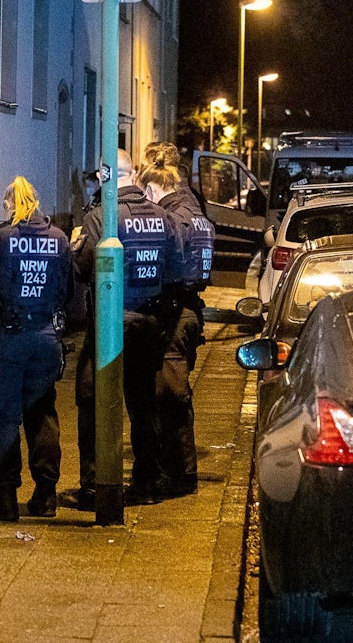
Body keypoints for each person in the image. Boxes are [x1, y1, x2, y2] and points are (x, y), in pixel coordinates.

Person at [72, 150, 183, 509]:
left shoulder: (100, 218)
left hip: (110, 323)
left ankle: (94, 485)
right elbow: (176, 270)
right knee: (143, 403)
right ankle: (146, 482)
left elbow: (82, 270)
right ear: (133, 174)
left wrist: (76, 250)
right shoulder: (163, 218)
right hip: (149, 323)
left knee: (91, 399)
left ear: (105, 177)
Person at [0, 176, 72, 521]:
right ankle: (46, 495)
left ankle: (7, 495)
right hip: (45, 336)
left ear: (9, 204)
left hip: (6, 338)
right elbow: (68, 293)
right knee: (41, 412)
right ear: (37, 203)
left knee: (1, 414)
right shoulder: (58, 240)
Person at [139, 143, 215, 495]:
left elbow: (168, 266)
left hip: (173, 312)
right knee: (172, 396)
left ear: (155, 185)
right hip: (187, 310)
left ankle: (180, 476)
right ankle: (176, 472)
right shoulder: (194, 208)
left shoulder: (175, 216)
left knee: (169, 397)